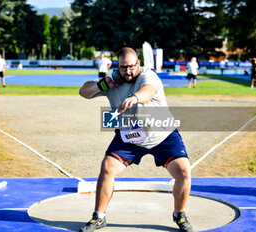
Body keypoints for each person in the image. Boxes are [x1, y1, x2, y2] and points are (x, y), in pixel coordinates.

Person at [79, 47, 193, 232]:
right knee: (107, 167)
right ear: (118, 66)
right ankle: (99, 217)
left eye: (131, 66)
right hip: (129, 136)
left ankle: (179, 215)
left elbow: (148, 90)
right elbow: (83, 92)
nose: (128, 71)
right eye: (123, 67)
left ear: (138, 63)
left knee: (184, 171)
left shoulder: (148, 75)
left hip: (162, 134)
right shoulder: (113, 80)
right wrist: (102, 85)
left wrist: (135, 98)